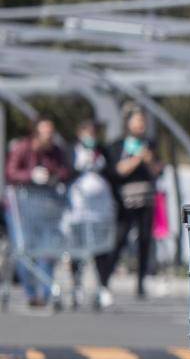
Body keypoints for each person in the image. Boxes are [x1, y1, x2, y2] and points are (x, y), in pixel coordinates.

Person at [4, 116, 72, 308]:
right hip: (21, 209)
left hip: (45, 207)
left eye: (51, 132)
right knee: (25, 249)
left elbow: (66, 171)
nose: (49, 136)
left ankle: (47, 291)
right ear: (36, 132)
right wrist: (30, 175)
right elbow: (10, 173)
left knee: (48, 249)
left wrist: (53, 175)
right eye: (45, 132)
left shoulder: (55, 151)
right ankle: (31, 293)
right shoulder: (22, 148)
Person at [105, 107, 164, 299]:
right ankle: (105, 279)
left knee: (145, 240)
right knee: (119, 239)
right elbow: (117, 170)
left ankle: (140, 282)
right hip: (125, 201)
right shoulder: (117, 145)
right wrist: (138, 158)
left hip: (146, 199)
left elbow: (158, 170)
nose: (140, 125)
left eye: (142, 121)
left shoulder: (150, 145)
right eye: (136, 120)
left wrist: (149, 161)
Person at [66, 119, 117, 310]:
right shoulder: (72, 150)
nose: (91, 137)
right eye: (87, 132)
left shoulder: (102, 151)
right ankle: (76, 286)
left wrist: (99, 165)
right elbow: (65, 172)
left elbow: (113, 173)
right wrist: (80, 166)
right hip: (78, 209)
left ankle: (103, 286)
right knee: (77, 248)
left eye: (94, 133)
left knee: (102, 249)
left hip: (100, 209)